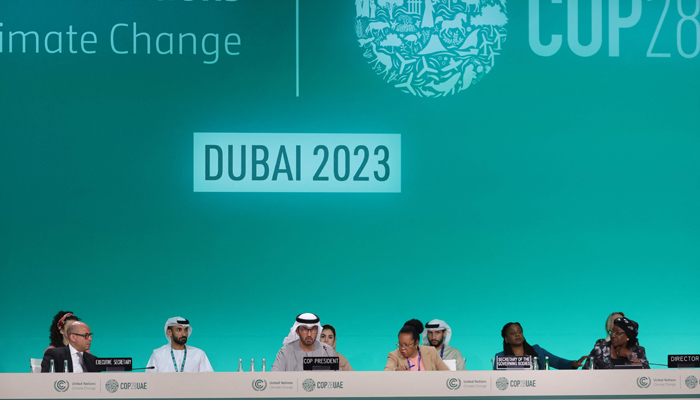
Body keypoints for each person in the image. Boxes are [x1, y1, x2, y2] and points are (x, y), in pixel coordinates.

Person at [494, 322, 586, 370]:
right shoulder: (500, 357)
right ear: (506, 338)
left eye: (519, 332)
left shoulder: (537, 350)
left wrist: (574, 364)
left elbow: (557, 362)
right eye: (512, 333)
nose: (517, 335)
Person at [146, 317, 214, 372]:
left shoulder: (198, 354)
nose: (184, 334)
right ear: (169, 332)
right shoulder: (158, 354)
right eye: (179, 330)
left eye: (185, 330)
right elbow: (149, 380)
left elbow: (208, 379)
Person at [272, 313, 336, 371]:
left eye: (313, 329)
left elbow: (338, 377)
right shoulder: (285, 352)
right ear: (297, 331)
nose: (309, 334)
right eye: (304, 329)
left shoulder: (327, 351)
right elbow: (275, 376)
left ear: (317, 331)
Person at [583, 317, 649, 369]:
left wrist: (629, 355)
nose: (613, 336)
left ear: (628, 337)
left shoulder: (639, 351)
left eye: (618, 333)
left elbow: (646, 375)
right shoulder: (600, 349)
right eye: (612, 332)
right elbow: (585, 373)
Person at [385, 319, 449, 371]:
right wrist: (396, 371)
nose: (402, 348)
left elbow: (446, 374)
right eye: (400, 344)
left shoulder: (431, 352)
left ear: (416, 343)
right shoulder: (394, 355)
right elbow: (386, 374)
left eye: (406, 345)